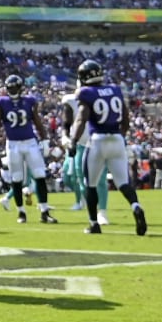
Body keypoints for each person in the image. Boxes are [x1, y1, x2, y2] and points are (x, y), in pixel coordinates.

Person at [69, 60, 148, 235]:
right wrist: (120, 135)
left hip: (97, 140)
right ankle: (136, 206)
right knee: (123, 183)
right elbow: (126, 118)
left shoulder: (86, 92)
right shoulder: (115, 90)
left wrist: (73, 140)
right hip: (117, 139)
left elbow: (81, 118)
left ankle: (93, 224)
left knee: (90, 184)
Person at [0, 74, 58, 224]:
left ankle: (44, 211)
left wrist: (45, 139)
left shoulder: (29, 101)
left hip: (30, 142)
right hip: (13, 144)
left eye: (15, 87)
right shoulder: (1, 102)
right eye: (11, 88)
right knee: (16, 178)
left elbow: (36, 120)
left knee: (39, 175)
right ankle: (21, 212)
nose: (13, 90)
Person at [61, 87, 109, 223]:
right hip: (81, 144)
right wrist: (65, 137)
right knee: (82, 180)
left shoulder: (102, 96)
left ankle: (103, 212)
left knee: (100, 179)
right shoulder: (70, 100)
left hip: (98, 142)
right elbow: (66, 122)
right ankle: (92, 212)